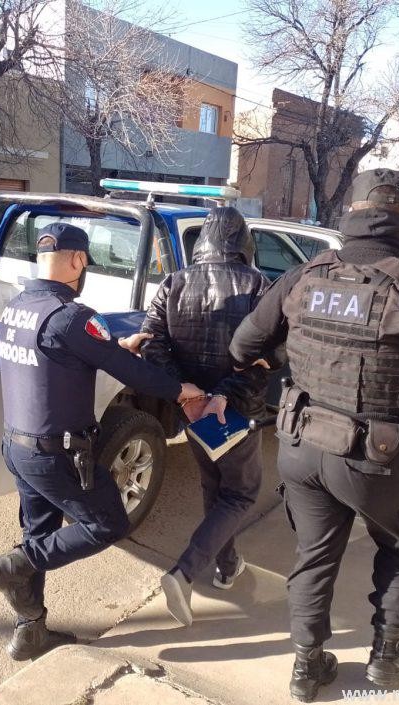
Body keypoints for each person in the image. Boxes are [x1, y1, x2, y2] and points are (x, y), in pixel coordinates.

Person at [229, 169, 399, 701]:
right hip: (378, 458)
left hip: (302, 445)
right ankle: (389, 658)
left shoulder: (302, 276)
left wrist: (290, 353)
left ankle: (307, 666)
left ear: (350, 212)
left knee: (314, 553)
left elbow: (242, 346)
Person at [0, 222, 204, 661]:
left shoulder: (19, 306)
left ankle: (29, 631)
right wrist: (180, 389)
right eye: (85, 262)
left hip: (18, 448)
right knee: (107, 525)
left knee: (39, 532)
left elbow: (63, 355)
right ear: (77, 260)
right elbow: (132, 373)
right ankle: (17, 565)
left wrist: (116, 345)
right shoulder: (73, 316)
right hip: (58, 454)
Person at [137, 206, 271, 626]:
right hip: (237, 412)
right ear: (243, 241)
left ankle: (227, 565)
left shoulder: (173, 283)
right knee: (239, 493)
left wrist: (186, 393)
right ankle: (185, 571)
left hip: (193, 412)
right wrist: (223, 394)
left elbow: (151, 343)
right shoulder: (258, 285)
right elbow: (267, 355)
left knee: (215, 487)